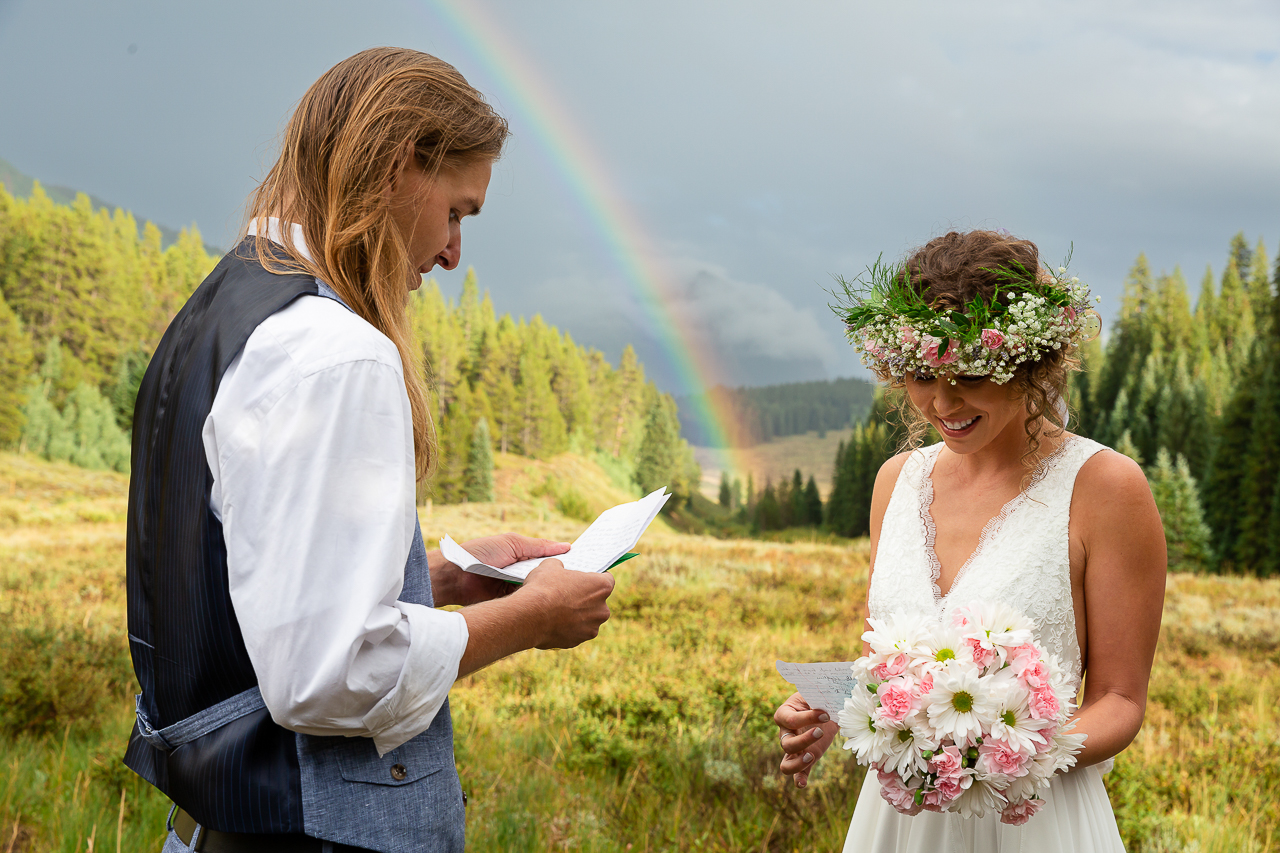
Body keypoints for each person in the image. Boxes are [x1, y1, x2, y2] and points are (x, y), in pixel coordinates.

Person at [124, 47, 615, 853]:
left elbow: (253, 574)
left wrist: (445, 574)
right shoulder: (337, 351)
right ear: (397, 167)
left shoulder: (217, 316)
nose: (454, 253)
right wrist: (532, 615)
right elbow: (332, 672)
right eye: (457, 210)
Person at [773, 230, 1166, 851]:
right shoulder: (895, 484)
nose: (943, 401)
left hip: (1035, 821)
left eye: (972, 374)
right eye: (922, 374)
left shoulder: (1106, 487)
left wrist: (1006, 757)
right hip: (897, 820)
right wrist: (845, 710)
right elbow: (898, 662)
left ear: (1031, 363)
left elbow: (1120, 699)